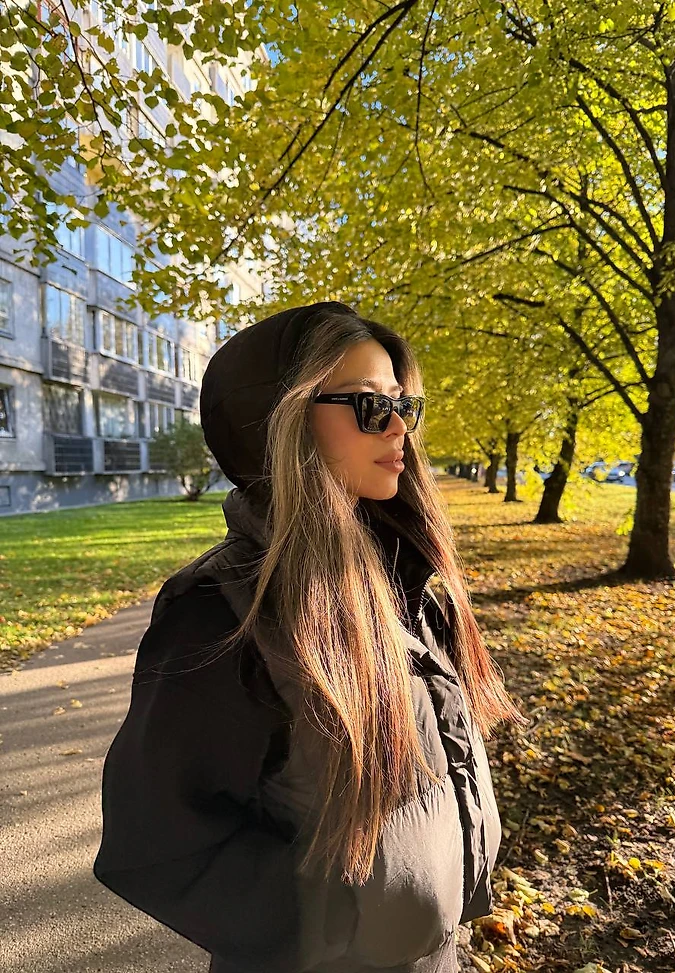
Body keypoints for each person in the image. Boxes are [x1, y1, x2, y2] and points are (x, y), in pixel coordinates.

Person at [94, 301, 525, 973]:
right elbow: (157, 844)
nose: (399, 429)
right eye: (369, 405)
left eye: (404, 406)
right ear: (280, 420)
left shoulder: (405, 578)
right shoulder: (221, 615)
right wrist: (341, 921)